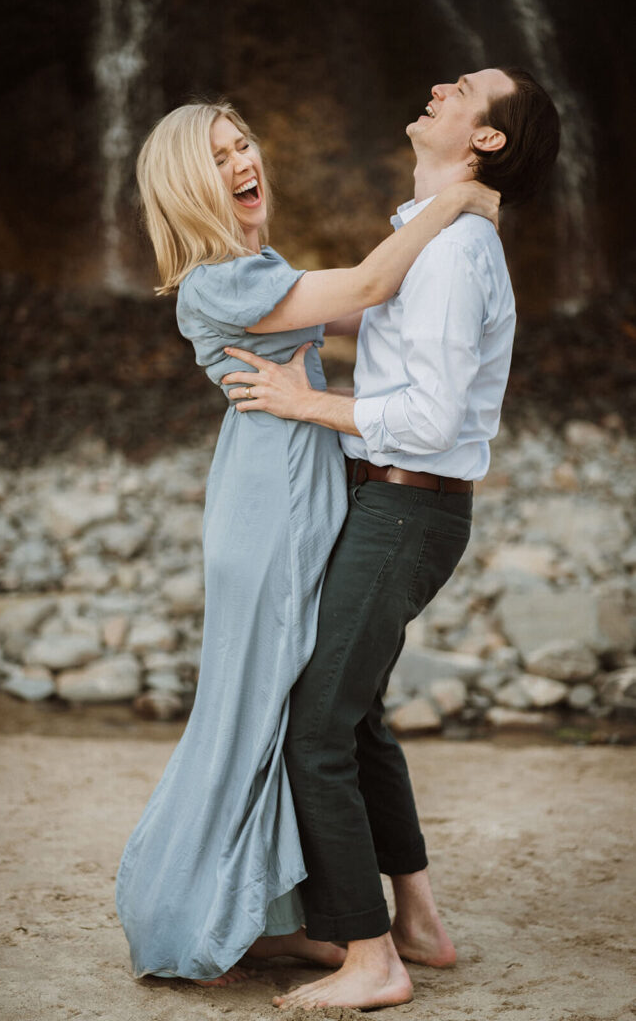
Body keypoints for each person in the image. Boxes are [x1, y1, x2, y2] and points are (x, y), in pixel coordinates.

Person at [114, 100, 499, 987]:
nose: (242, 160)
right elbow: (367, 287)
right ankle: (220, 905)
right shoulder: (218, 279)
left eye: (243, 141)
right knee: (270, 710)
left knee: (331, 710)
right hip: (271, 508)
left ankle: (339, 918)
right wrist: (455, 204)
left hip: (297, 488)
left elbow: (373, 315)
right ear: (185, 186)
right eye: (216, 156)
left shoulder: (257, 267)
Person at [221, 67, 561, 1009]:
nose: (441, 85)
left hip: (408, 504)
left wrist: (303, 402)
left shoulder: (455, 253)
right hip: (388, 499)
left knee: (316, 727)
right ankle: (417, 922)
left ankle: (370, 959)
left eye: (466, 88)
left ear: (485, 140)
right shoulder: (432, 237)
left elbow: (431, 414)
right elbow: (358, 320)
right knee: (357, 714)